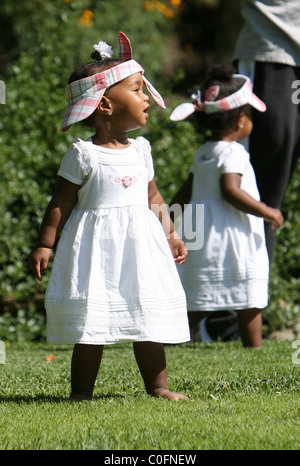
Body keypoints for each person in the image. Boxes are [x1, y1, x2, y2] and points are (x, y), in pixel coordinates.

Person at [29, 32, 190, 401]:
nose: (146, 97)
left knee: (147, 315)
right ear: (104, 105)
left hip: (141, 251)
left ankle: (159, 386)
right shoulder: (83, 155)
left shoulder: (142, 150)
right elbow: (60, 204)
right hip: (96, 253)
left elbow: (153, 197)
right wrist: (44, 243)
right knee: (92, 323)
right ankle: (81, 392)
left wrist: (172, 233)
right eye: (136, 90)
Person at [169, 65, 283, 348]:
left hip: (202, 235)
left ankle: (171, 337)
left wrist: (167, 221)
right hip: (232, 234)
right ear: (241, 120)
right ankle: (253, 345)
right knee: (247, 294)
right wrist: (267, 210)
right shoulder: (234, 152)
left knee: (199, 292)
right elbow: (230, 191)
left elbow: (185, 192)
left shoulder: (204, 151)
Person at [232, 0, 300, 264]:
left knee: (271, 196)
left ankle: (256, 295)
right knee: (253, 186)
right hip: (271, 52)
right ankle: (233, 298)